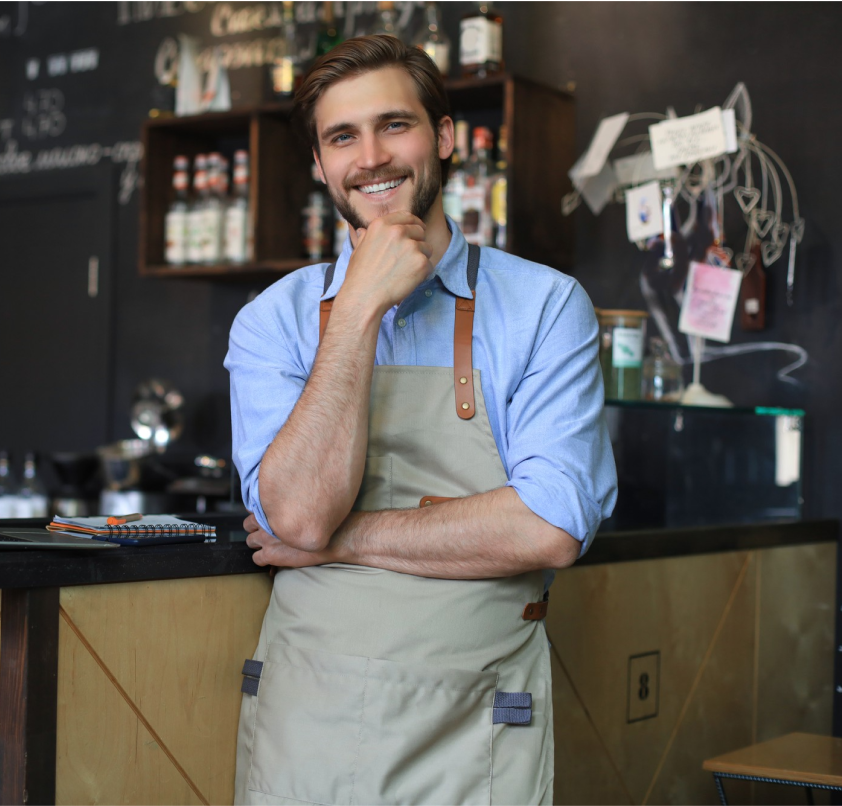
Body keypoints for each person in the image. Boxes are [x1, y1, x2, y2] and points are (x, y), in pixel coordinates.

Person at [225, 34, 616, 806]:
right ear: (319, 164)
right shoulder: (274, 320)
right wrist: (358, 307)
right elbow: (297, 514)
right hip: (307, 722)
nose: (371, 157)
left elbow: (550, 527)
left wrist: (342, 542)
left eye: (394, 125)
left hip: (474, 731)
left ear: (443, 137)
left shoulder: (545, 306)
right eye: (342, 137)